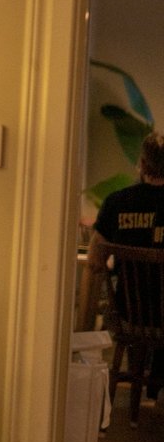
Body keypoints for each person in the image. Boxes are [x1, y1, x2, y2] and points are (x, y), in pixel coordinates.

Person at [78, 130, 164, 332]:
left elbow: (94, 265)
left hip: (129, 317)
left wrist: (83, 333)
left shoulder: (116, 203)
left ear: (142, 165)